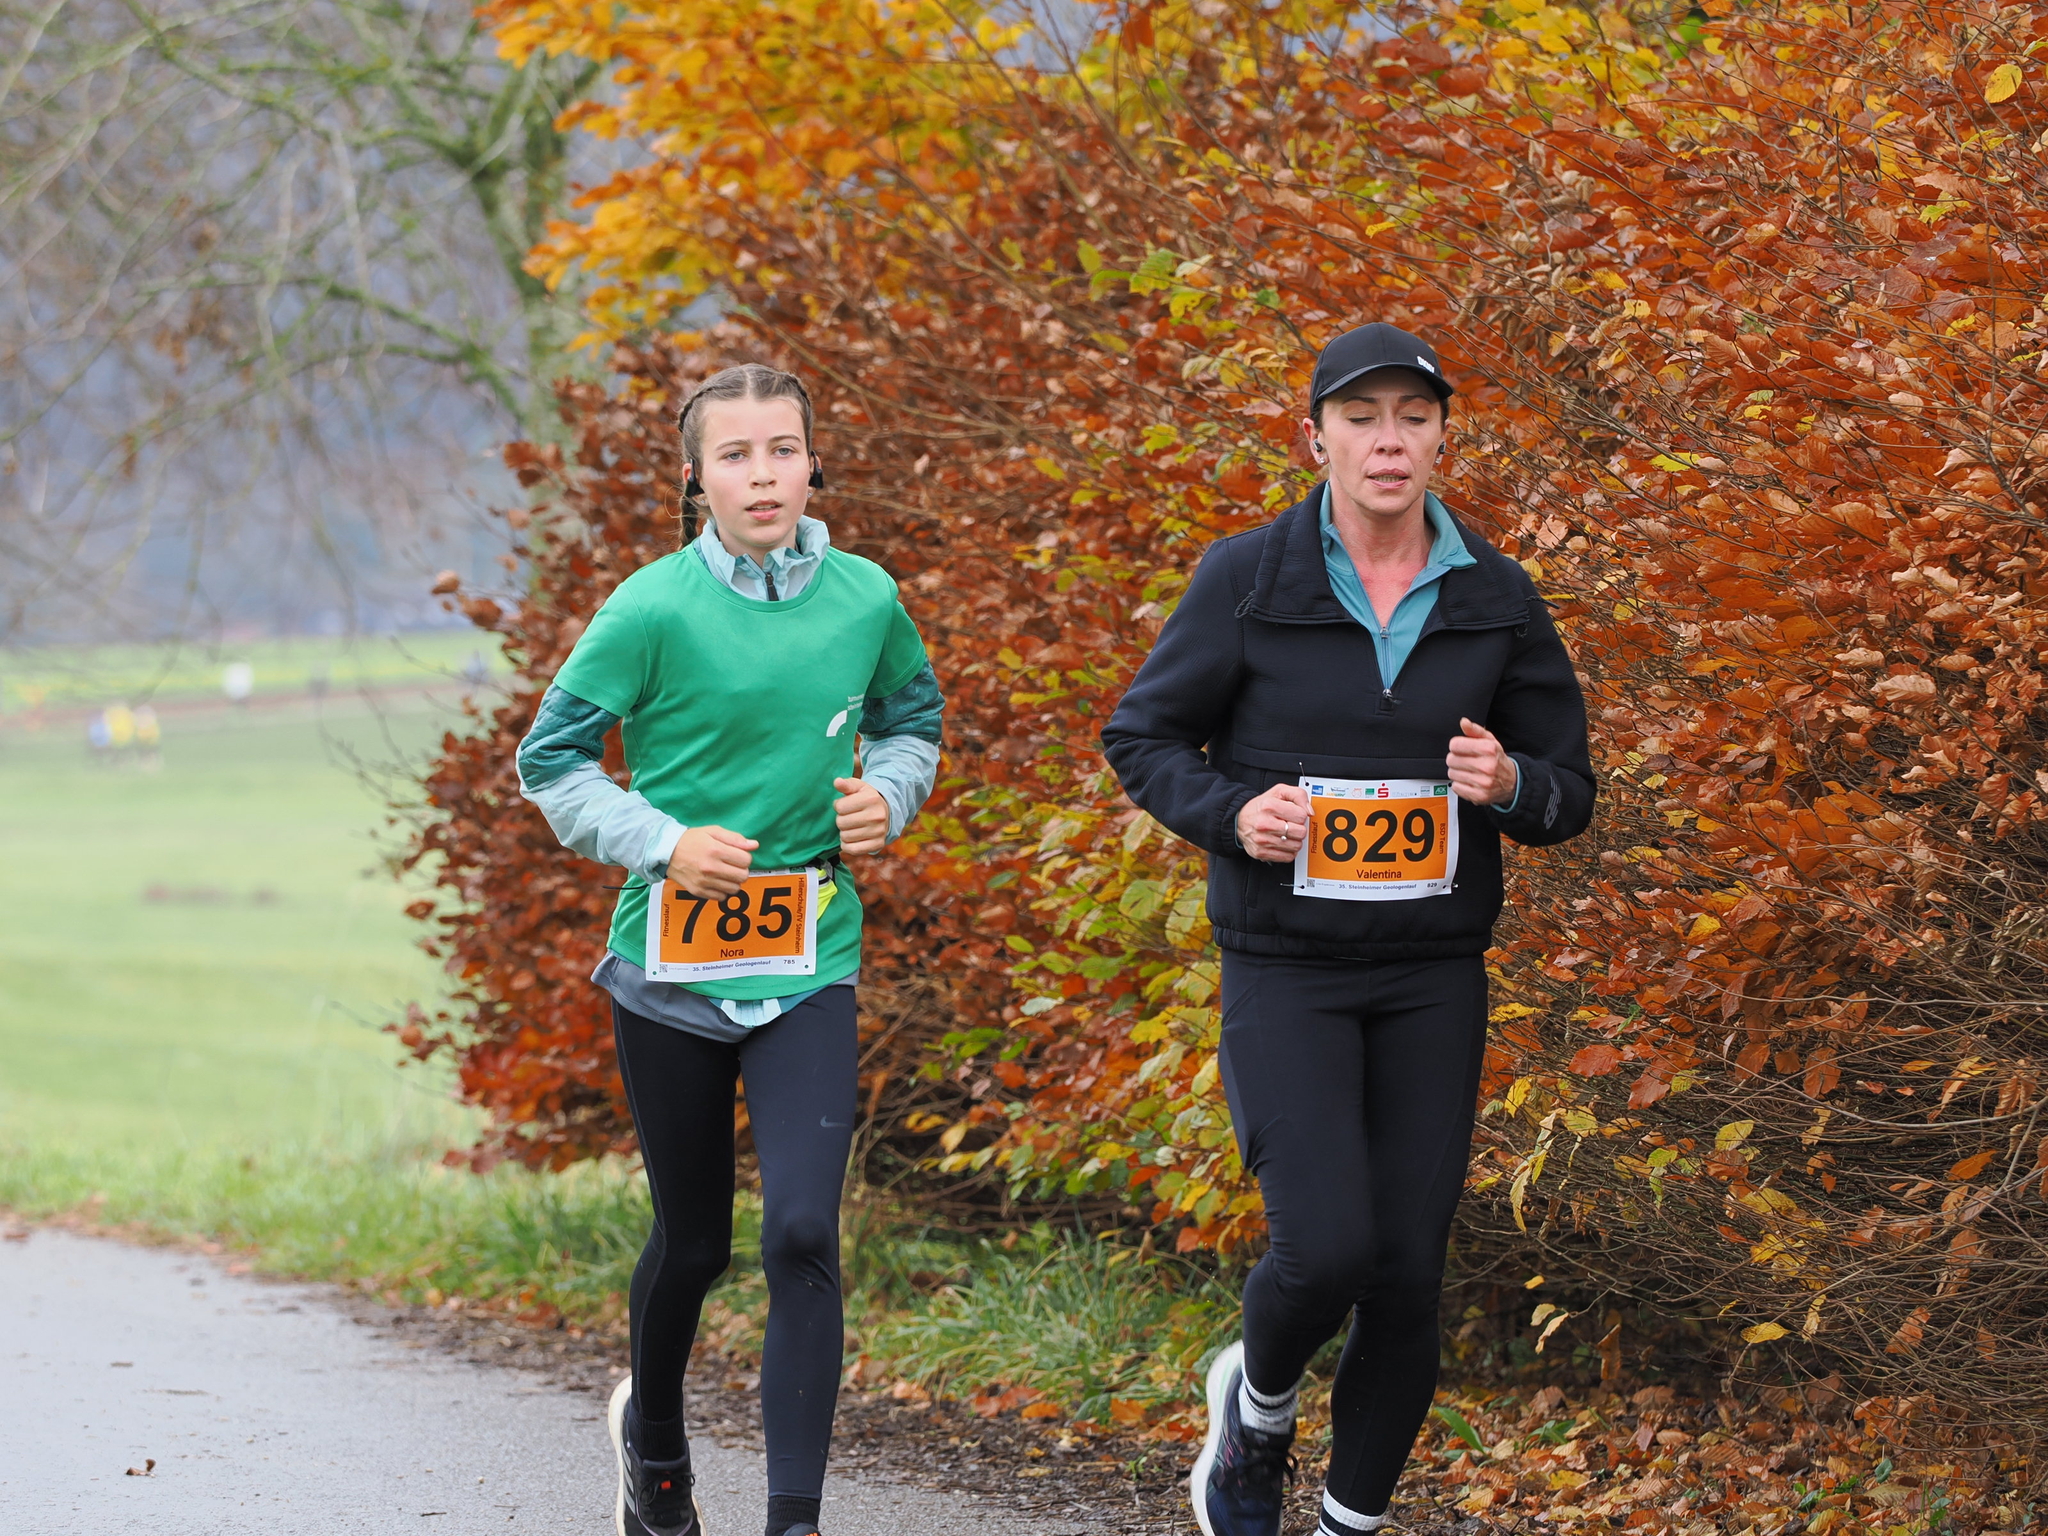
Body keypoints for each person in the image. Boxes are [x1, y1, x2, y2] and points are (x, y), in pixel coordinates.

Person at [1101, 322, 1595, 1536]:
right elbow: (1141, 737)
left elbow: (1568, 791)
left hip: (1431, 973)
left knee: (1406, 1278)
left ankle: (1345, 1524)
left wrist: (1508, 786)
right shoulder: (1246, 578)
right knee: (1322, 1250)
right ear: (1313, 435)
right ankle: (1256, 1412)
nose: (1387, 442)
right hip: (1286, 969)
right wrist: (1232, 814)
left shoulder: (1493, 596)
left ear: (1439, 439)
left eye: (1412, 419)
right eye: (1361, 417)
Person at [516, 363, 945, 1536]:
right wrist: (662, 843)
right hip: (670, 972)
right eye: (735, 455)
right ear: (695, 478)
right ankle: (653, 1444)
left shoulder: (866, 597)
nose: (763, 475)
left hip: (809, 955)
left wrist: (889, 796)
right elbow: (549, 762)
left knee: (802, 1231)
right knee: (696, 1242)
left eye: (782, 450)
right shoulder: (649, 609)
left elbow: (912, 722)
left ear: (813, 465)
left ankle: (792, 1521)